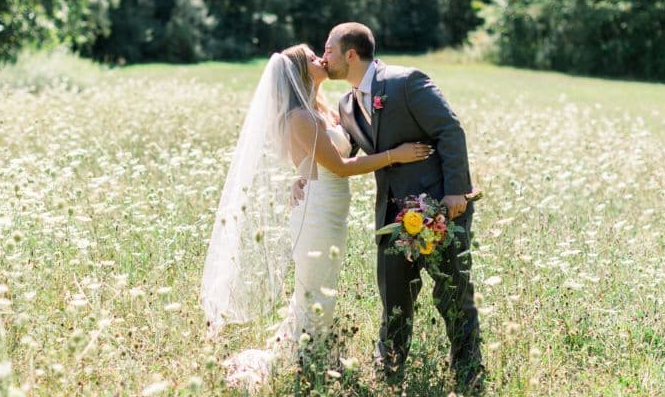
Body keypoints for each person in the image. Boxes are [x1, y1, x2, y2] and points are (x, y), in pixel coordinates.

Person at [200, 43, 432, 390]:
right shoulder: (299, 116)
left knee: (322, 289)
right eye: (311, 58)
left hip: (331, 209)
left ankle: (313, 357)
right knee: (314, 293)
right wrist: (395, 155)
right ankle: (303, 363)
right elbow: (339, 166)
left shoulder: (320, 108)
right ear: (299, 72)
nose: (321, 59)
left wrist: (302, 174)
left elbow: (327, 155)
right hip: (317, 212)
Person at [295, 22, 483, 391]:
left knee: (453, 295)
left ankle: (469, 373)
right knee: (394, 301)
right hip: (390, 218)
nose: (324, 56)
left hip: (440, 209)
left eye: (329, 50)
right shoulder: (345, 104)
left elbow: (449, 130)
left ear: (351, 54)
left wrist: (456, 192)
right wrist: (301, 174)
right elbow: (337, 154)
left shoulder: (406, 82)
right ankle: (389, 375)